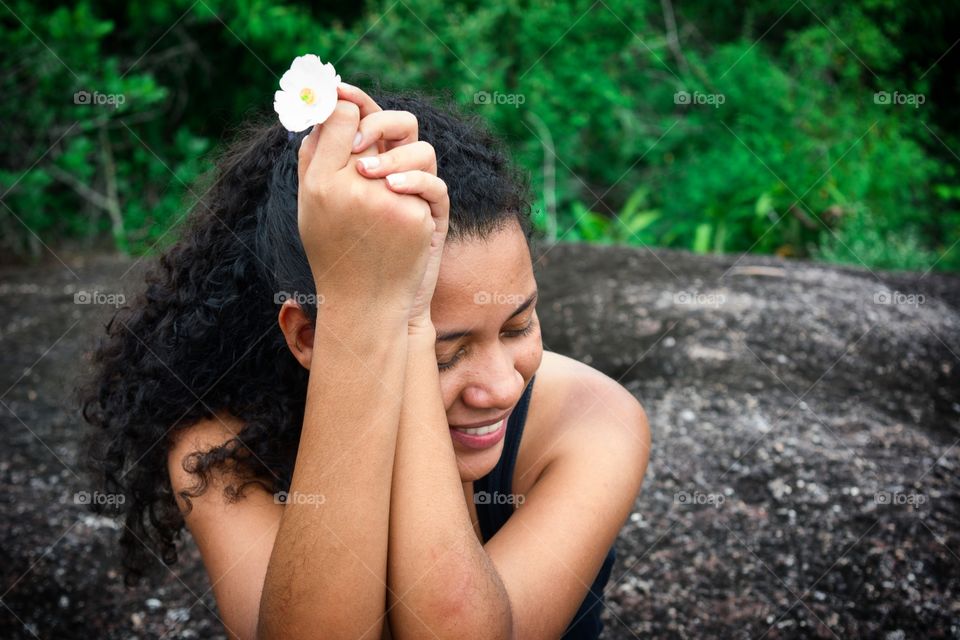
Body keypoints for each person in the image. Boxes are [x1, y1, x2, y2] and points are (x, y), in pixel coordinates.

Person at [80, 82, 651, 639]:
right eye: (443, 354)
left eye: (518, 325)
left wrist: (407, 330)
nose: (501, 388)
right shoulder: (220, 451)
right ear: (308, 336)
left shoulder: (590, 419)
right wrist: (371, 314)